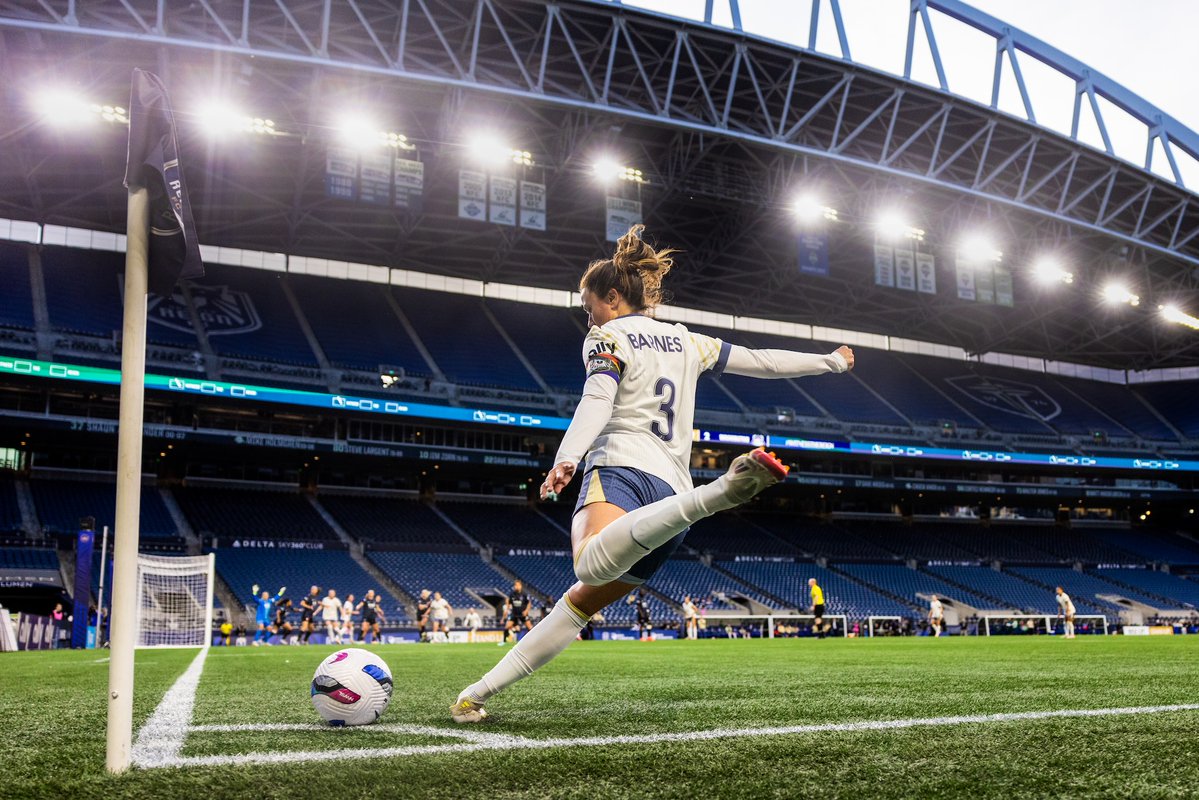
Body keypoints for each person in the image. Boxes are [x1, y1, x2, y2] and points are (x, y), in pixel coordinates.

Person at [452, 224, 854, 722]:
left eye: (589, 305)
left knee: (586, 565)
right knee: (579, 602)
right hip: (671, 499)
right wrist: (830, 363)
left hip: (621, 468)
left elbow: (598, 396)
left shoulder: (608, 335)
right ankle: (477, 693)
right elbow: (760, 360)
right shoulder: (687, 341)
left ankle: (720, 493)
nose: (588, 315)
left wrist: (567, 457)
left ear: (613, 297)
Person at [502, 580, 533, 644]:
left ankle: (533, 641)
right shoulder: (512, 594)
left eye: (518, 585)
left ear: (521, 586)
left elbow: (529, 603)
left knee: (530, 627)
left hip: (523, 614)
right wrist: (506, 610)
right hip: (514, 613)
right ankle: (504, 642)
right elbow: (508, 602)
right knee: (507, 627)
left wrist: (526, 611)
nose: (516, 586)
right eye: (515, 585)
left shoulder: (524, 594)